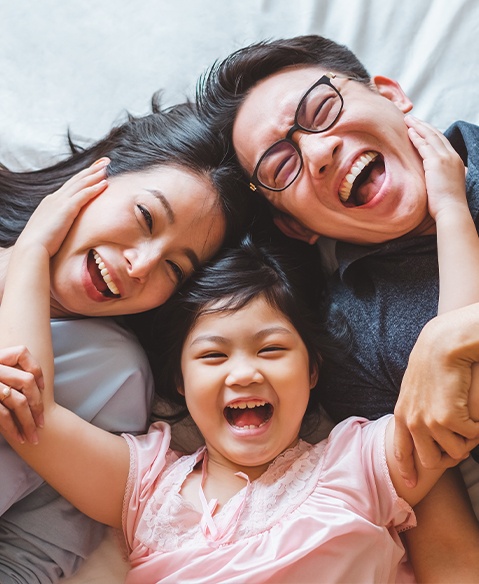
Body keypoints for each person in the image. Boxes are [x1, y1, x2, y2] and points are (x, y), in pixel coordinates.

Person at [0, 159, 477, 582]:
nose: (243, 373)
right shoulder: (146, 487)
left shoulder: (359, 465)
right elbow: (24, 402)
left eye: (271, 349)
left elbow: (452, 379)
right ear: (180, 384)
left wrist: (452, 211)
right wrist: (33, 252)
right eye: (213, 356)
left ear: (314, 370)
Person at [195, 35, 479, 580]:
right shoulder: (349, 340)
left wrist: (448, 339)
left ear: (392, 95)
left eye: (322, 109)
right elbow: (449, 549)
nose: (319, 151)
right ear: (293, 225)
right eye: (281, 166)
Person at [0, 100, 251, 582]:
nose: (141, 265)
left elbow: (31, 558)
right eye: (146, 217)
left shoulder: (115, 374)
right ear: (101, 173)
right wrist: (21, 254)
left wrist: (33, 254)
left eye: (175, 269)